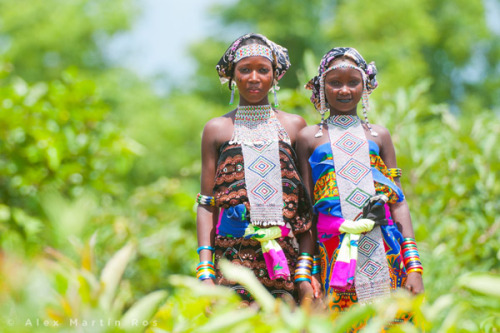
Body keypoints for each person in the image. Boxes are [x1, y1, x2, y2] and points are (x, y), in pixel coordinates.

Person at [296, 47, 424, 326]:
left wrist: (413, 265)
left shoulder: (380, 135)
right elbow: (306, 211)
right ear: (321, 86)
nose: (344, 90)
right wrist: (307, 271)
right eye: (335, 83)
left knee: (390, 323)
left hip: (385, 248)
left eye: (353, 82)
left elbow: (398, 201)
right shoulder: (309, 138)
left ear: (365, 86)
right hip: (332, 254)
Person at [195, 33, 314, 306]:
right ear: (232, 76)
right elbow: (206, 204)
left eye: (263, 70)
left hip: (286, 258)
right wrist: (205, 271)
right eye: (245, 69)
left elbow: (307, 205)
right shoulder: (217, 129)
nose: (254, 77)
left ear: (276, 76)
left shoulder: (295, 126)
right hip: (231, 258)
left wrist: (306, 270)